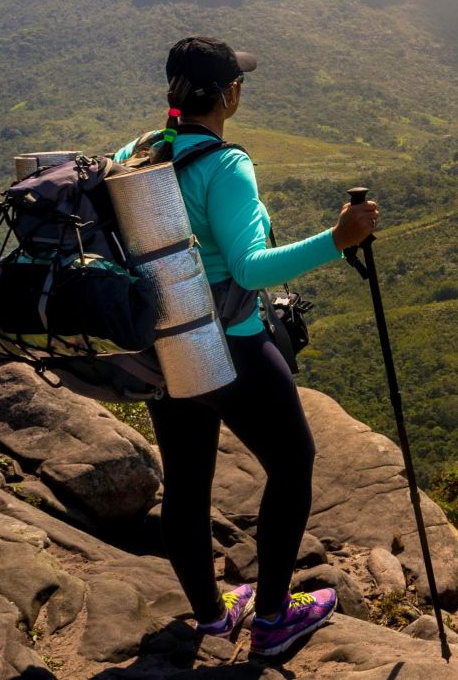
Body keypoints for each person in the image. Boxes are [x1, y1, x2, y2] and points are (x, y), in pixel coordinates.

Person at [115, 36, 379, 656]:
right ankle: (271, 618)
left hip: (164, 346)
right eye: (240, 83)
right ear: (229, 93)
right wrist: (337, 238)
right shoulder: (227, 165)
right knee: (293, 463)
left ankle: (210, 617)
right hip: (229, 345)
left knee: (186, 482)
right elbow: (252, 268)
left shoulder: (138, 152)